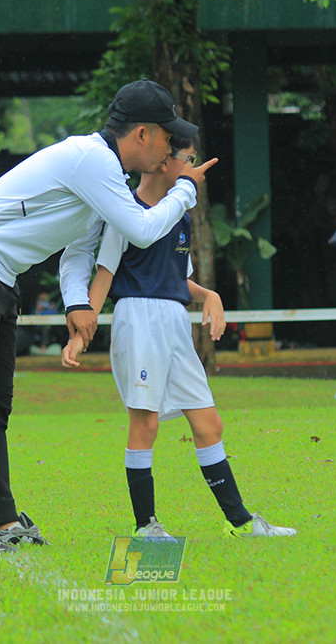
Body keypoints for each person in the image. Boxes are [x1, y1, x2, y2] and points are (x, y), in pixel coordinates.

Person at [0, 79, 216, 554]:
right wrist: (184, 190)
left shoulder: (105, 176)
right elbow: (141, 231)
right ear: (142, 134)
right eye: (166, 138)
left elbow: (77, 250)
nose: (170, 151)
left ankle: (0, 518)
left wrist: (76, 303)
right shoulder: (92, 160)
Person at [61, 134, 295, 539]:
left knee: (209, 424)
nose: (195, 168)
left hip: (174, 325)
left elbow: (179, 281)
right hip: (139, 320)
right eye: (189, 159)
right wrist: (82, 333)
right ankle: (146, 526)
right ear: (164, 161)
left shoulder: (180, 217)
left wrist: (210, 295)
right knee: (145, 424)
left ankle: (240, 522)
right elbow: (105, 275)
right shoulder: (125, 210)